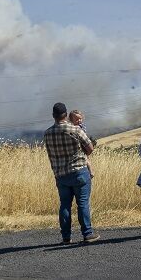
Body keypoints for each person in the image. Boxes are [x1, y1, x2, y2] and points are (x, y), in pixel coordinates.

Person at [44, 102, 98, 244]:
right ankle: (87, 234)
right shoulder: (75, 130)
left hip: (60, 174)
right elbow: (90, 148)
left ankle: (66, 237)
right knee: (82, 203)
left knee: (65, 205)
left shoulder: (48, 133)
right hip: (79, 171)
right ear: (66, 115)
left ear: (53, 116)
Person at [68, 110, 95, 178]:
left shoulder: (81, 126)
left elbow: (84, 136)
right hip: (77, 145)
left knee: (86, 158)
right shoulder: (71, 127)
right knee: (86, 158)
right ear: (71, 120)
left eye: (80, 118)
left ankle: (91, 171)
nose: (79, 120)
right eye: (77, 119)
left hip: (83, 144)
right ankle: (90, 171)